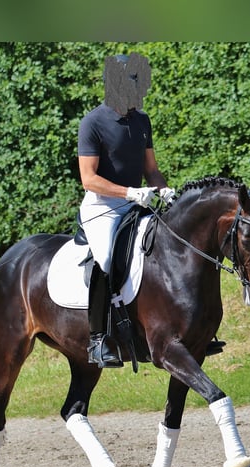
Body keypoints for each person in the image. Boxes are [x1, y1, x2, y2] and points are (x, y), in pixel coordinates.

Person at [77, 53, 175, 368]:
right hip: (103, 207)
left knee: (168, 243)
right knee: (105, 258)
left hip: (138, 202)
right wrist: (128, 192)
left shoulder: (141, 120)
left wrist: (165, 190)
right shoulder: (92, 122)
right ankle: (96, 340)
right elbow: (88, 179)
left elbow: (151, 169)